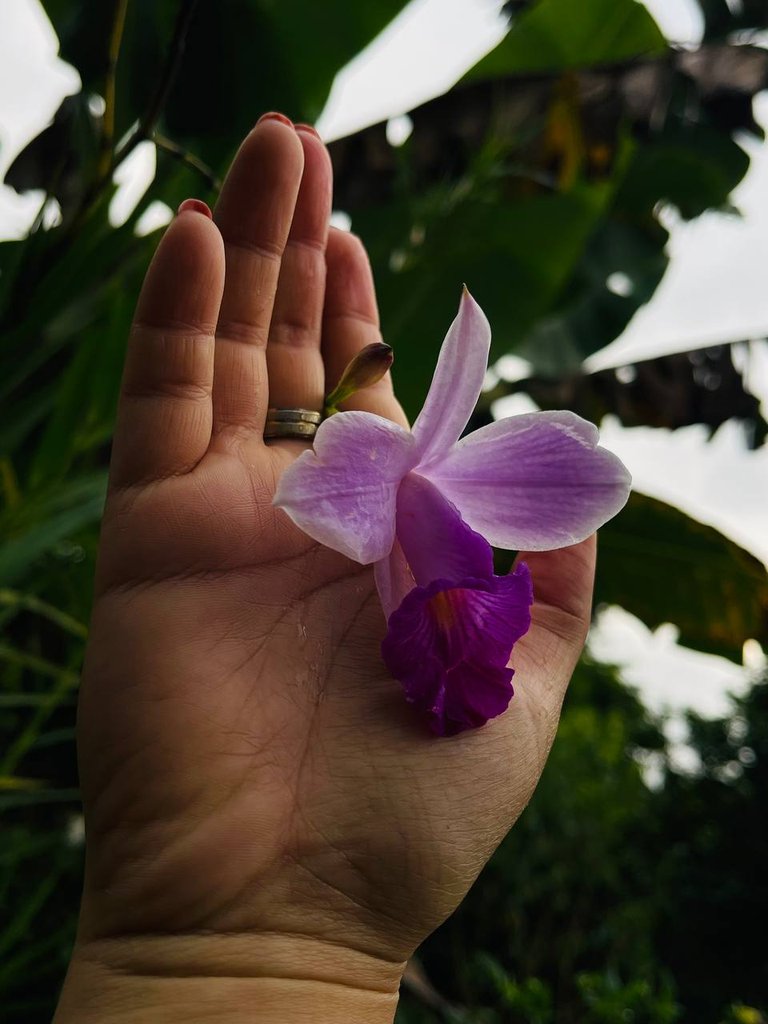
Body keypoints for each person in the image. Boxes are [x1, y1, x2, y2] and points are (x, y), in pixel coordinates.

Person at [53, 112, 596, 1023]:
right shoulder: (348, 491)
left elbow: (562, 492)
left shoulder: (431, 499)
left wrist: (279, 943)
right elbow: (320, 500)